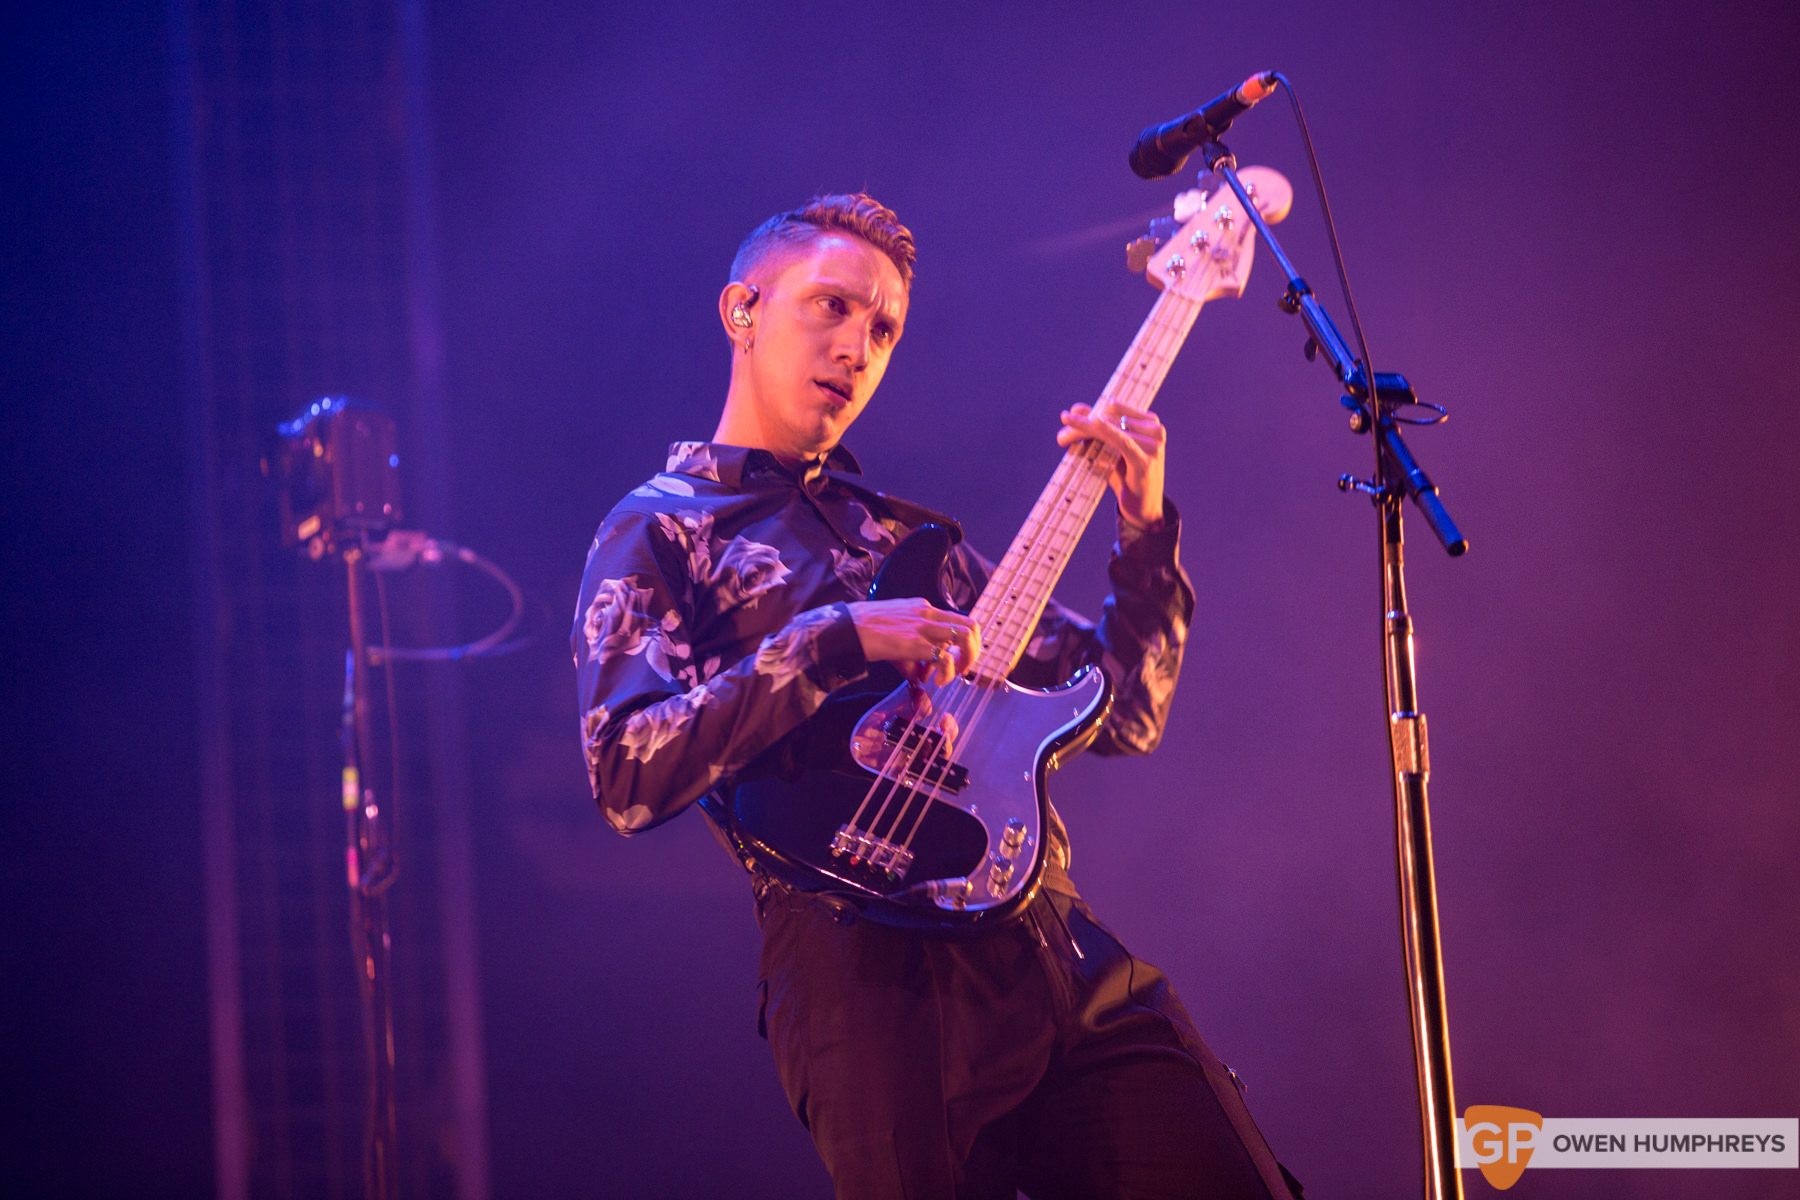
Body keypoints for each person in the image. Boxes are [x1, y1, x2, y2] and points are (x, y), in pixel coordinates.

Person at [572, 193, 1302, 1198]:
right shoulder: (663, 528)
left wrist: (1143, 531)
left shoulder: (910, 540)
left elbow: (1127, 711)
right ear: (742, 310)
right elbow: (624, 773)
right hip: (864, 970)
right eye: (831, 306)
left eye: (883, 330)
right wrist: (830, 640)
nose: (857, 348)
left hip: (1050, 941)